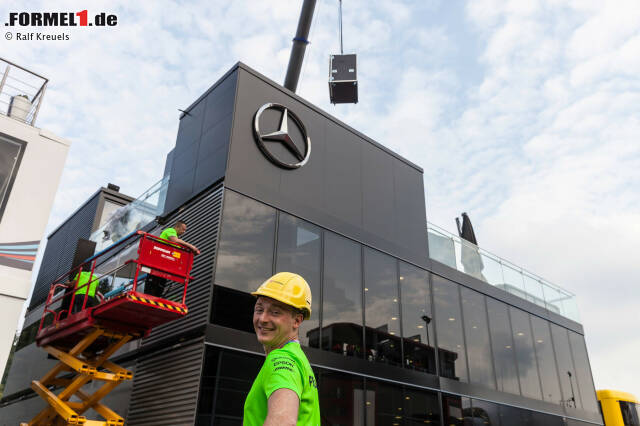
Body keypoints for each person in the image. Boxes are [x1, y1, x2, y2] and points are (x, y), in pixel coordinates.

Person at [243, 272, 320, 426]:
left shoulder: (281, 359)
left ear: (297, 320)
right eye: (259, 310)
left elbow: (282, 422)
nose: (263, 319)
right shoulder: (298, 359)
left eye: (275, 312)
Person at [145, 220, 200, 297]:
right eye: (183, 229)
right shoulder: (170, 230)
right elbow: (175, 240)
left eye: (185, 230)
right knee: (152, 287)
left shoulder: (175, 242)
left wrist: (192, 251)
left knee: (159, 288)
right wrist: (191, 247)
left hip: (163, 265)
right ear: (177, 227)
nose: (184, 232)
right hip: (158, 261)